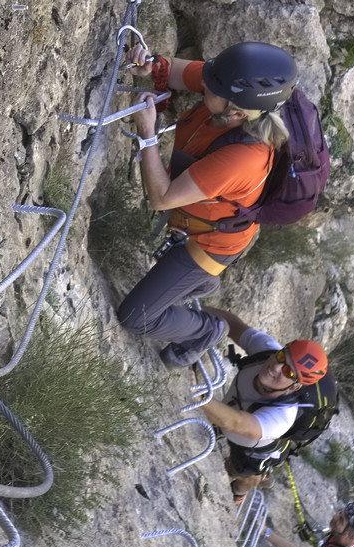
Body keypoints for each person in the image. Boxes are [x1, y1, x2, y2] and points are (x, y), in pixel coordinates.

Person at [119, 40, 299, 368]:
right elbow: (175, 70)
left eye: (212, 86)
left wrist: (148, 134)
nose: (205, 83)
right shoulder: (226, 87)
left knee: (135, 317)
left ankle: (206, 331)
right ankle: (199, 283)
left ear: (236, 113)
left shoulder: (242, 159)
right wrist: (152, 66)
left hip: (209, 243)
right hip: (201, 220)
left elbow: (162, 197)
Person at [193, 305, 332, 504]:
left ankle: (242, 490)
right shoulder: (267, 350)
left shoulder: (282, 417)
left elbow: (237, 424)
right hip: (232, 416)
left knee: (238, 470)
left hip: (257, 450)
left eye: (289, 372)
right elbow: (233, 324)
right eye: (282, 356)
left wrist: (197, 395)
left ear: (295, 387)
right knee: (221, 428)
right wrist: (194, 307)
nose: (275, 367)